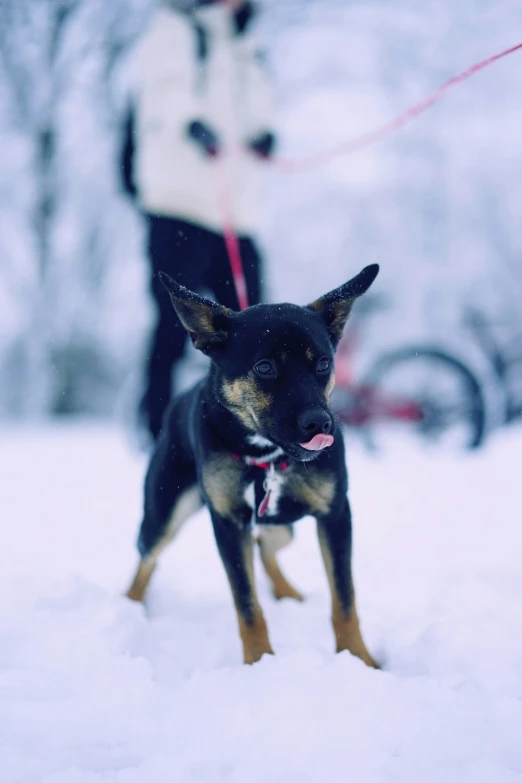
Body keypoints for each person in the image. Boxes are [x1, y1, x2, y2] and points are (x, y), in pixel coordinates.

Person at [121, 0, 276, 442]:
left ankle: (244, 422)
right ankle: (157, 428)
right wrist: (191, 122)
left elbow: (261, 102)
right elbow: (164, 91)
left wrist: (265, 132)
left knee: (251, 323)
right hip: (179, 202)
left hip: (236, 212)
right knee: (175, 322)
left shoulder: (248, 45)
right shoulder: (175, 27)